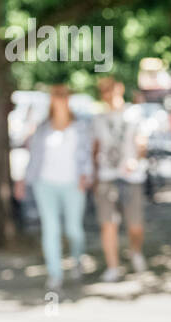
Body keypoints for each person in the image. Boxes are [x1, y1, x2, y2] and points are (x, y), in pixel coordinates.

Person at [16, 84, 91, 291]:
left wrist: (87, 176)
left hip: (73, 183)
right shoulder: (42, 128)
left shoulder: (80, 127)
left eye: (63, 96)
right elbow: (34, 158)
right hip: (45, 183)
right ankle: (55, 274)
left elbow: (87, 155)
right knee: (51, 229)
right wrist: (23, 180)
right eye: (56, 96)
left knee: (73, 229)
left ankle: (76, 259)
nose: (59, 100)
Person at [91, 76, 148, 282]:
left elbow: (142, 143)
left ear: (120, 89)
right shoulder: (98, 120)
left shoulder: (134, 115)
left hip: (131, 177)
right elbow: (94, 149)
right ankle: (113, 266)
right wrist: (93, 176)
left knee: (135, 224)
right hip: (107, 176)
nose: (108, 94)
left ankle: (135, 251)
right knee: (108, 224)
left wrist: (135, 158)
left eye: (111, 89)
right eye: (104, 90)